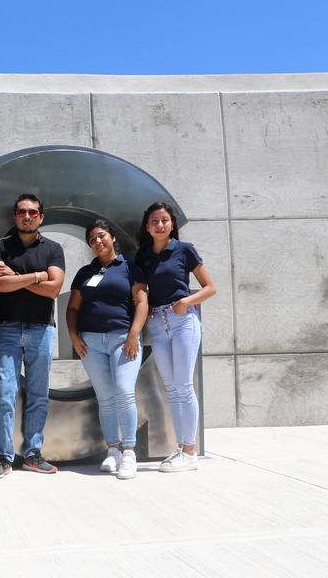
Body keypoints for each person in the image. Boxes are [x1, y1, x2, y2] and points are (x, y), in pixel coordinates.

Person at [0, 193, 65, 479]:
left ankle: (32, 455)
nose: (27, 216)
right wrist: (38, 276)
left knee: (38, 395)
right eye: (22, 212)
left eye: (33, 212)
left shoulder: (54, 248)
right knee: (4, 395)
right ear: (15, 216)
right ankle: (4, 458)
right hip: (6, 329)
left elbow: (54, 289)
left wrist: (17, 277)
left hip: (42, 328)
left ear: (41, 217)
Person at [136, 202, 216, 473]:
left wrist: (186, 301)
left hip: (183, 321)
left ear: (172, 225)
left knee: (184, 386)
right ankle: (181, 449)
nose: (160, 225)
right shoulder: (143, 256)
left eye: (165, 220)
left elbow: (210, 288)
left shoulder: (184, 249)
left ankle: (190, 451)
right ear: (147, 227)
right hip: (158, 325)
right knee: (171, 389)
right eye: (154, 221)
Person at [66, 220, 149, 480]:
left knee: (124, 392)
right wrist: (73, 336)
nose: (97, 242)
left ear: (112, 238)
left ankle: (129, 452)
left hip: (123, 339)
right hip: (90, 342)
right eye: (92, 239)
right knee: (105, 398)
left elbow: (142, 302)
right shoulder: (84, 272)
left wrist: (134, 334)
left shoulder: (129, 268)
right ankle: (112, 449)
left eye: (101, 236)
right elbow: (72, 309)